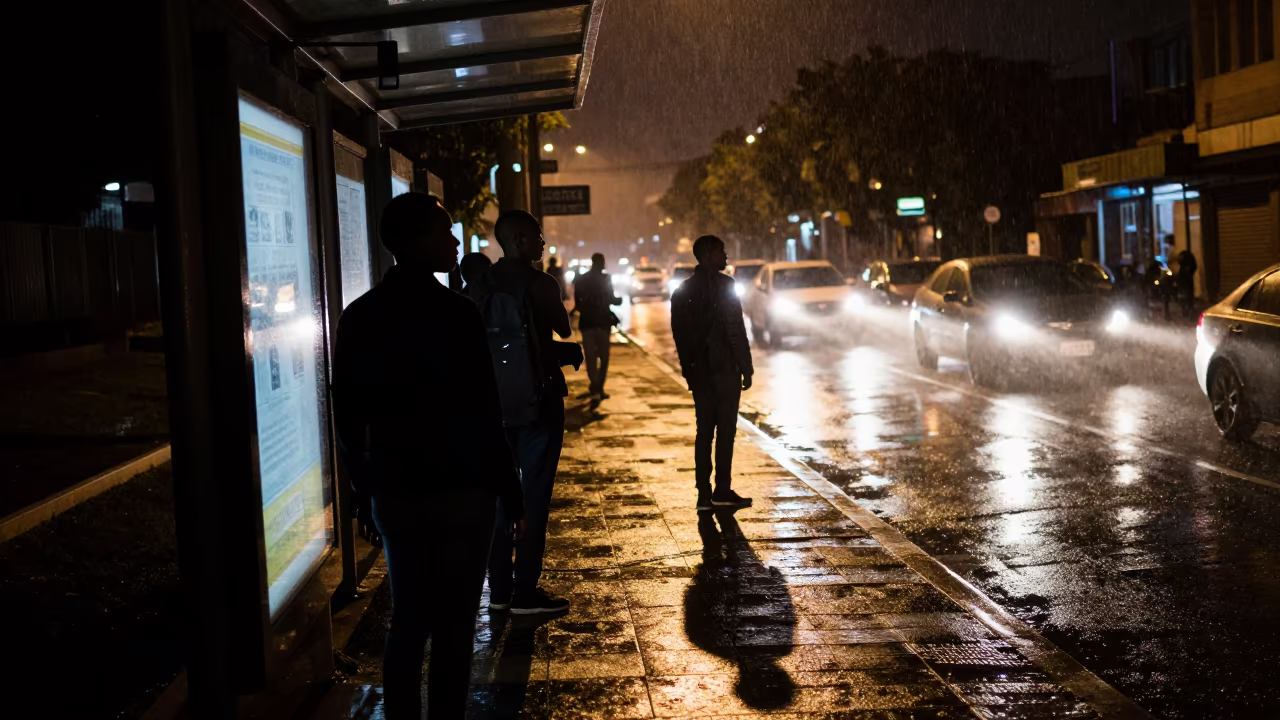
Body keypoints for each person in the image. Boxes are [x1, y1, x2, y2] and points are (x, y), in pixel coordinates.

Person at [332, 193, 526, 720]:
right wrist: (511, 490)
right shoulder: (456, 314)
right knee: (455, 625)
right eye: (444, 231)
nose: (455, 241)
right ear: (416, 241)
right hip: (463, 489)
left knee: (408, 620)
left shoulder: (361, 316)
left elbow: (348, 413)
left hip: (397, 490)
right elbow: (485, 412)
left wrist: (364, 487)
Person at [473, 210, 578, 615]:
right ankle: (525, 593)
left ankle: (498, 589)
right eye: (537, 236)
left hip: (492, 409)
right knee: (534, 499)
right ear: (519, 240)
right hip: (538, 406)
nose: (543, 243)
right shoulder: (540, 283)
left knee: (500, 498)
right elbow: (564, 330)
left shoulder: (479, 285)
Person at [671, 235, 754, 511]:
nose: (726, 256)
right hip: (725, 370)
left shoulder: (682, 291)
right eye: (721, 251)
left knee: (704, 431)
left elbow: (679, 337)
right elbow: (735, 330)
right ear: (708, 254)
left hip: (700, 372)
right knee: (725, 431)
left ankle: (704, 494)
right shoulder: (726, 286)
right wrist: (746, 366)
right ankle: (722, 489)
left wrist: (689, 370)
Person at [572, 253, 623, 404]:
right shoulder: (606, 279)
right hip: (602, 322)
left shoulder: (582, 280)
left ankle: (595, 385)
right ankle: (598, 386)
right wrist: (616, 301)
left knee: (591, 357)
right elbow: (611, 299)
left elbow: (578, 302)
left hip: (588, 322)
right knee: (604, 357)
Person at [1176, 247, 1198, 317]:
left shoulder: (1185, 261)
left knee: (1186, 295)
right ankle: (1188, 309)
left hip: (1186, 279)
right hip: (1186, 279)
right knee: (1187, 295)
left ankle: (1187, 309)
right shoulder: (1189, 258)